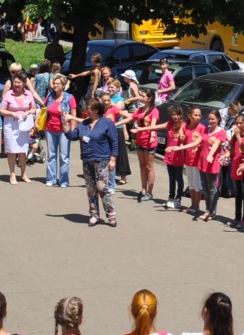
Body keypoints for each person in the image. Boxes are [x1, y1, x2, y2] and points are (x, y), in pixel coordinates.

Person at [65, 98, 117, 227]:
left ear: (96, 109)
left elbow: (114, 142)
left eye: (88, 108)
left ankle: (111, 214)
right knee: (91, 189)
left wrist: (113, 159)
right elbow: (72, 136)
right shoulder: (83, 124)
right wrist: (65, 123)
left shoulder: (107, 123)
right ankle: (94, 214)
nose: (86, 110)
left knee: (101, 187)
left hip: (102, 159)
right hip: (87, 159)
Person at [0, 73, 36, 184]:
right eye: (15, 82)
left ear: (24, 83)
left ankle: (23, 173)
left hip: (24, 125)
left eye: (19, 82)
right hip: (11, 125)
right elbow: (2, 110)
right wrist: (12, 113)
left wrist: (28, 112)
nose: (16, 84)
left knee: (23, 150)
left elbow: (33, 109)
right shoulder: (8, 94)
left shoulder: (28, 94)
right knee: (11, 150)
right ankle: (12, 174)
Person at [42, 75, 76, 188]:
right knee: (51, 155)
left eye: (57, 83)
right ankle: (51, 178)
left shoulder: (69, 97)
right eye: (54, 83)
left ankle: (64, 180)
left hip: (64, 130)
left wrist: (72, 130)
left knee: (64, 155)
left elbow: (74, 115)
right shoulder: (50, 96)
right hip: (50, 129)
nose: (55, 85)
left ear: (63, 85)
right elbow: (43, 108)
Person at [196, 110, 229, 222]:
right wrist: (181, 147)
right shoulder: (206, 129)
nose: (210, 121)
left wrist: (210, 155)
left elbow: (216, 144)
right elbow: (199, 142)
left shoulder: (221, 132)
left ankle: (212, 212)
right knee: (204, 187)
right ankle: (207, 210)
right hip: (202, 161)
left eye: (213, 119)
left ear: (218, 119)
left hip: (212, 162)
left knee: (212, 187)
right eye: (209, 119)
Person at [128, 88, 159, 201]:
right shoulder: (140, 109)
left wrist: (151, 134)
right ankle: (143, 189)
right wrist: (116, 122)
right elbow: (130, 118)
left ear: (150, 98)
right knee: (142, 166)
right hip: (140, 141)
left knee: (149, 166)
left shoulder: (154, 111)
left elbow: (154, 125)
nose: (141, 97)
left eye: (143, 96)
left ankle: (150, 192)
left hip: (149, 142)